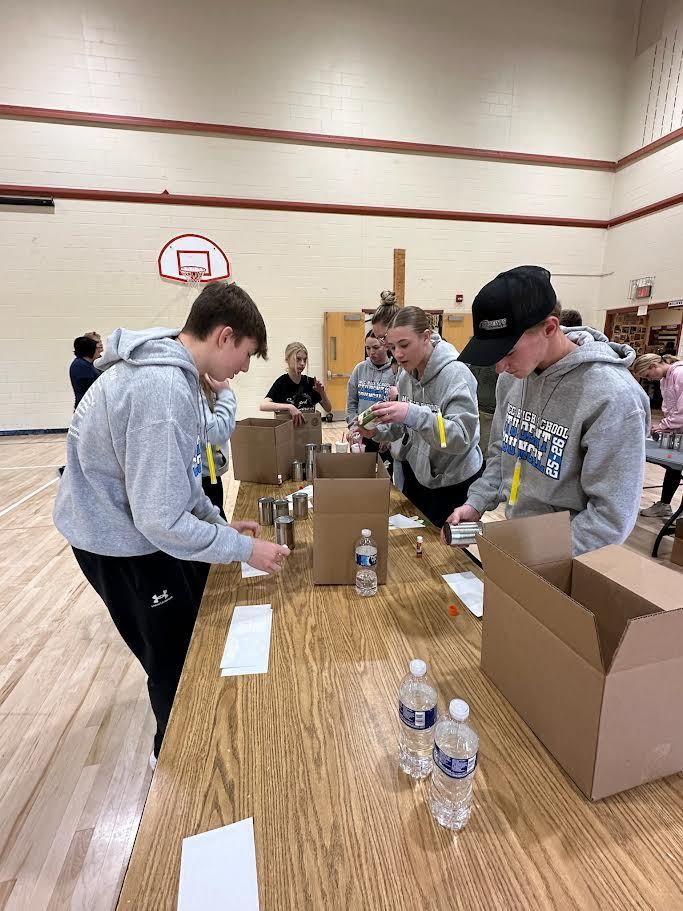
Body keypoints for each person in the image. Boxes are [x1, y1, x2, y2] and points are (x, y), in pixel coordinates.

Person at [53, 281, 290, 768]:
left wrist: (219, 526)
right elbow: (161, 519)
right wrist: (245, 550)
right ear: (224, 336)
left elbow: (181, 477)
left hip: (134, 528)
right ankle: (176, 759)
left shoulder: (177, 377)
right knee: (172, 656)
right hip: (116, 543)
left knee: (186, 630)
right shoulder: (161, 390)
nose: (245, 368)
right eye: (246, 354)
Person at [446, 265, 650, 556]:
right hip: (522, 542)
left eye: (508, 352)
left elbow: (610, 519)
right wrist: (476, 502)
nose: (499, 367)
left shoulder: (613, 397)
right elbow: (503, 453)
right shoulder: (512, 379)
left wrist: (538, 552)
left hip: (573, 557)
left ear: (550, 328)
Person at [359, 306, 484, 527]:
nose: (397, 354)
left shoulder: (455, 374)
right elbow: (404, 427)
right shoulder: (406, 375)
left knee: (446, 547)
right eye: (392, 347)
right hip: (420, 476)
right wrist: (376, 432)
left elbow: (460, 438)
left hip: (454, 481)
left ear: (426, 337)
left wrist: (412, 413)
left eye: (404, 345)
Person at [633, 353, 683, 518]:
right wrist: (667, 426)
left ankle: (681, 518)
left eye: (648, 375)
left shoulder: (679, 373)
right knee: (674, 466)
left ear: (654, 366)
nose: (650, 379)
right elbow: (669, 408)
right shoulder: (664, 379)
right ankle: (664, 505)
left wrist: (664, 425)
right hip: (678, 429)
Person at [346, 330, 395, 472]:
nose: (371, 352)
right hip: (362, 434)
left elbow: (398, 408)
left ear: (386, 346)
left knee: (384, 477)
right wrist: (353, 427)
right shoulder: (359, 369)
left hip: (384, 437)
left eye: (375, 347)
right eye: (368, 348)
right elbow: (351, 403)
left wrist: (387, 436)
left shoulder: (394, 371)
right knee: (361, 474)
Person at [260, 341, 332, 425]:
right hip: (288, 430)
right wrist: (289, 407)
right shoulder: (281, 383)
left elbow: (328, 408)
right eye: (298, 359)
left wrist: (322, 393)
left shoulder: (310, 382)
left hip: (308, 429)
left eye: (305, 360)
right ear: (287, 359)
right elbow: (263, 405)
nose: (302, 363)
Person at [200, 374, 237, 520]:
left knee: (218, 514)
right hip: (203, 473)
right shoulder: (195, 386)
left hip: (212, 469)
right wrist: (225, 393)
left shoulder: (210, 382)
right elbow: (215, 433)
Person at [69, 336, 101, 409]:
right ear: (90, 350)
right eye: (97, 349)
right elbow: (94, 387)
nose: (99, 351)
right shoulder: (80, 365)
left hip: (90, 406)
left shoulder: (87, 364)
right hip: (86, 407)